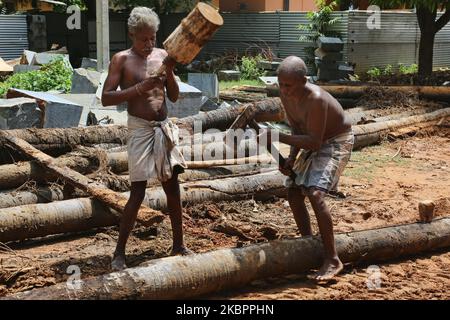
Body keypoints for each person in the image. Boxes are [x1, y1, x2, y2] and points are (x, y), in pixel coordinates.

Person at [102, 7, 191, 271]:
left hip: (162, 127)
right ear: (131, 35)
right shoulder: (121, 60)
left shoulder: (163, 56)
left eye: (152, 38)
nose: (148, 44)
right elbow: (106, 98)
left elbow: (173, 97)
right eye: (143, 39)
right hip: (140, 129)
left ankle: (178, 244)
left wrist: (170, 73)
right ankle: (119, 253)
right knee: (137, 191)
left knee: (172, 187)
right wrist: (139, 88)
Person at [264, 56, 354, 281]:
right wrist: (291, 159)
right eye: (280, 84)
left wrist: (276, 136)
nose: (284, 90)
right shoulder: (286, 95)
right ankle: (309, 245)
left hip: (335, 140)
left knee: (315, 193)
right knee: (293, 192)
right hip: (311, 138)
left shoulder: (315, 99)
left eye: (288, 85)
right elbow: (296, 128)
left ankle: (333, 258)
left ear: (304, 81)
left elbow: (314, 142)